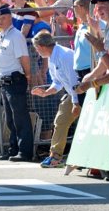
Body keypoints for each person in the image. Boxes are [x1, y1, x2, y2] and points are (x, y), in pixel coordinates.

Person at [30, 32, 81, 168]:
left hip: (81, 94)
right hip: (73, 94)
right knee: (60, 121)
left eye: (36, 48)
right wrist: (46, 93)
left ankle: (83, 159)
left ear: (41, 46)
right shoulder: (52, 57)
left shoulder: (64, 55)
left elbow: (73, 81)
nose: (36, 51)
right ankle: (55, 157)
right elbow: (57, 83)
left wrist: (76, 103)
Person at [0, 5, 33, 162]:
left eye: (3, 18)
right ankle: (13, 149)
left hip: (15, 80)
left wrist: (28, 75)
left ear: (10, 18)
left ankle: (25, 152)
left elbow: (24, 57)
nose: (0, 21)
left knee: (20, 118)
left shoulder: (16, 36)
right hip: (4, 81)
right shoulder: (3, 35)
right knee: (11, 119)